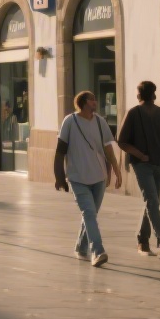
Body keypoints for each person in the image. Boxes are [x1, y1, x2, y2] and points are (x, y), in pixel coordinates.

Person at [117, 81, 160, 260]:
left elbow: (121, 141)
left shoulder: (133, 113)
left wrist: (139, 154)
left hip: (145, 164)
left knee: (151, 201)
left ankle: (152, 241)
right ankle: (158, 241)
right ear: (154, 95)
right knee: (152, 201)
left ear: (138, 95)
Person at [54, 91, 122, 267]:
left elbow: (108, 149)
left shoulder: (100, 122)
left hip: (98, 177)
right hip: (77, 177)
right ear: (83, 102)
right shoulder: (70, 121)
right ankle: (98, 251)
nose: (95, 101)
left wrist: (116, 171)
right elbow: (60, 151)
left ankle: (80, 247)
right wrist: (59, 176)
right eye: (92, 99)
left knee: (91, 215)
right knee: (89, 213)